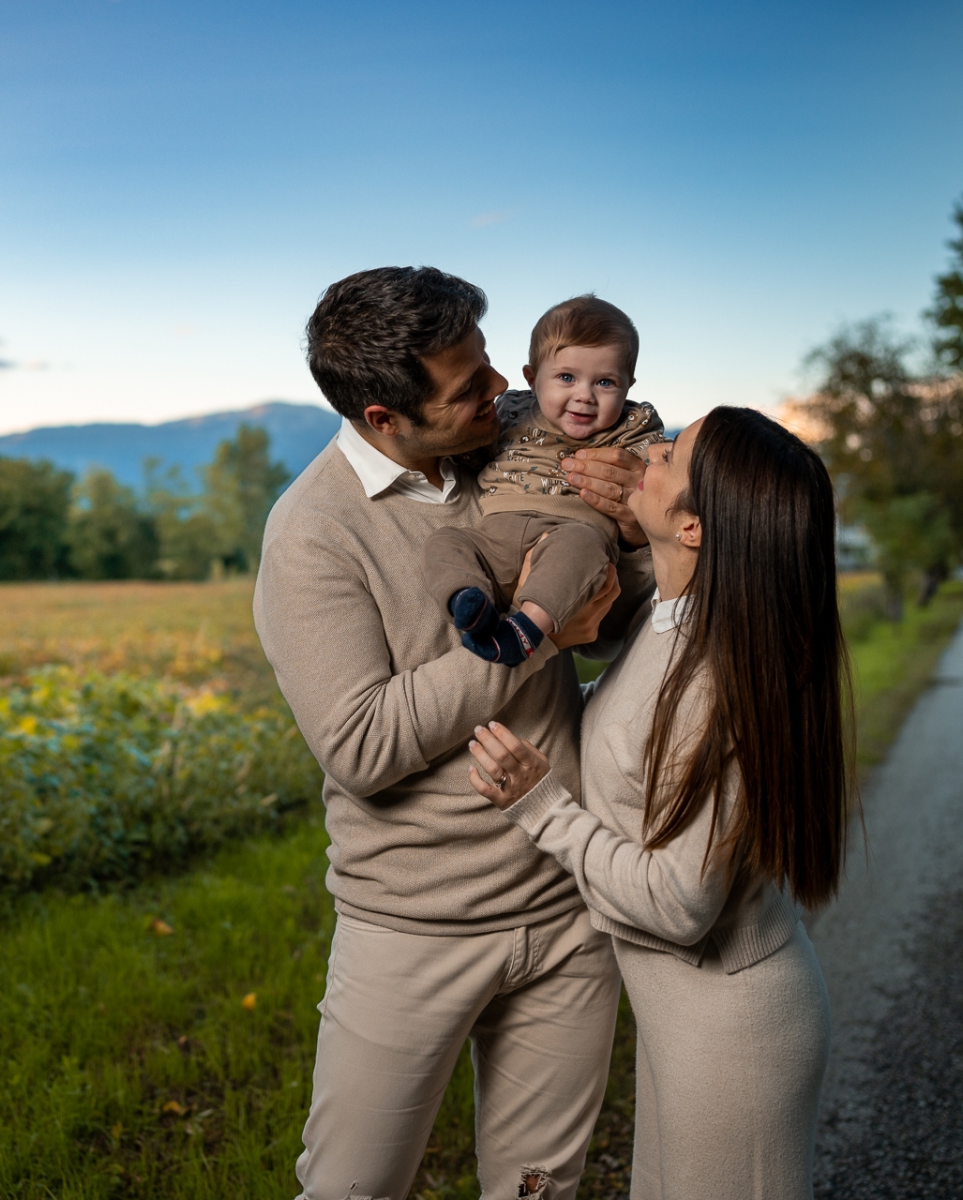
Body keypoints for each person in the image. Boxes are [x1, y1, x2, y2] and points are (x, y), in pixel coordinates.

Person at [254, 266, 654, 1199]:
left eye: (490, 362)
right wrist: (534, 637)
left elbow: (610, 627)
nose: (502, 389)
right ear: (385, 417)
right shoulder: (312, 534)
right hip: (412, 928)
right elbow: (361, 746)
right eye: (470, 385)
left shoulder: (515, 447)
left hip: (566, 907)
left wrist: (631, 535)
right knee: (353, 1189)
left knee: (538, 1192)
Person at [466, 405, 851, 1200]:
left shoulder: (715, 682)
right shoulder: (673, 618)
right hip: (686, 1020)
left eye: (671, 455)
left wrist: (542, 807)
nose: (649, 452)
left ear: (695, 527)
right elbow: (630, 743)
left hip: (734, 1034)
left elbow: (681, 906)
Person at [423, 295, 666, 665]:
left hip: (570, 536)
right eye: (566, 377)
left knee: (584, 545)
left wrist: (645, 507)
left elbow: (659, 489)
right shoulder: (509, 410)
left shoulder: (634, 427)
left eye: (605, 382)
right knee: (445, 541)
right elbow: (474, 452)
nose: (584, 396)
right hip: (494, 537)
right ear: (532, 378)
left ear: (628, 386)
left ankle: (523, 630)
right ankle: (468, 601)